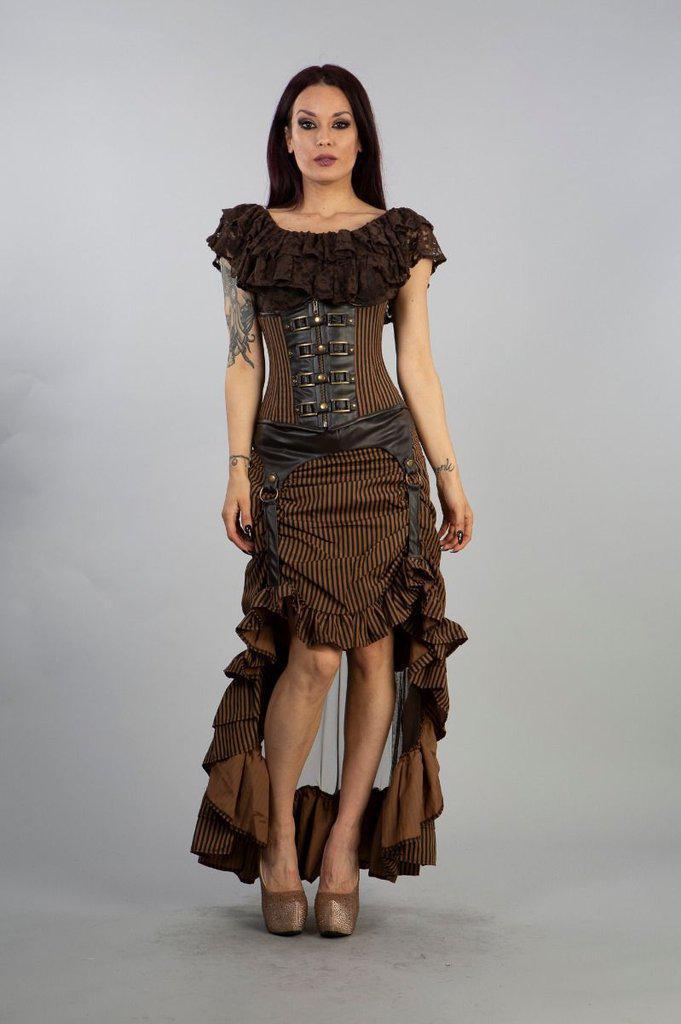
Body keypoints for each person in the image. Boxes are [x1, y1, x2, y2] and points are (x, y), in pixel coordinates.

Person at [190, 64, 473, 938]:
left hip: (382, 466)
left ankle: (345, 846)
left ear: (360, 138)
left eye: (339, 123)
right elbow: (243, 360)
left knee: (377, 656)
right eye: (305, 123)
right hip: (291, 471)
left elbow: (415, 362)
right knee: (313, 658)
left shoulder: (399, 236)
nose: (322, 138)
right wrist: (236, 469)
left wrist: (448, 475)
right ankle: (279, 841)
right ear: (285, 138)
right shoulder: (248, 236)